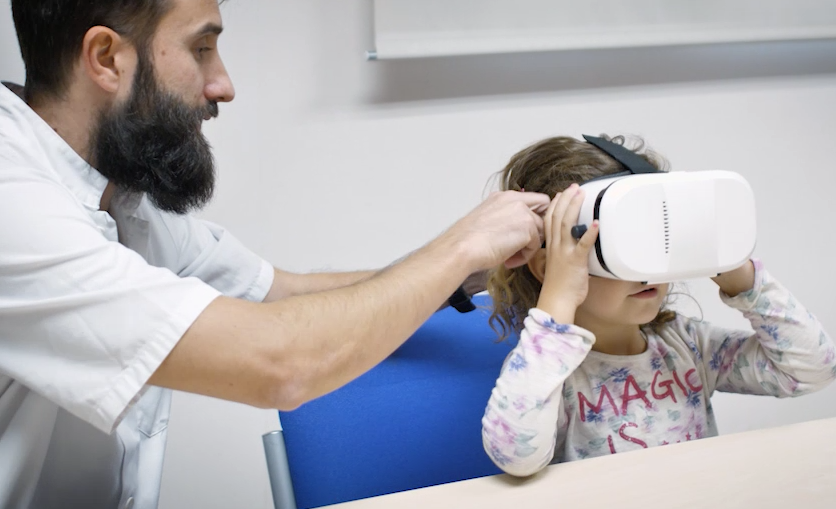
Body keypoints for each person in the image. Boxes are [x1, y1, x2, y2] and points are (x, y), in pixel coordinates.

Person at [0, 1, 551, 507]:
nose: (224, 85)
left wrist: (469, 273)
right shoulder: (16, 207)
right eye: (201, 49)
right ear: (105, 58)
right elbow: (280, 361)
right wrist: (458, 248)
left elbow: (281, 296)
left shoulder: (121, 196)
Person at [480, 135, 836, 477]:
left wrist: (738, 274)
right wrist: (557, 298)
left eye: (657, 241)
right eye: (622, 249)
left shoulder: (688, 346)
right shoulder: (550, 374)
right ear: (548, 268)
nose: (646, 272)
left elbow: (810, 370)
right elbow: (517, 456)